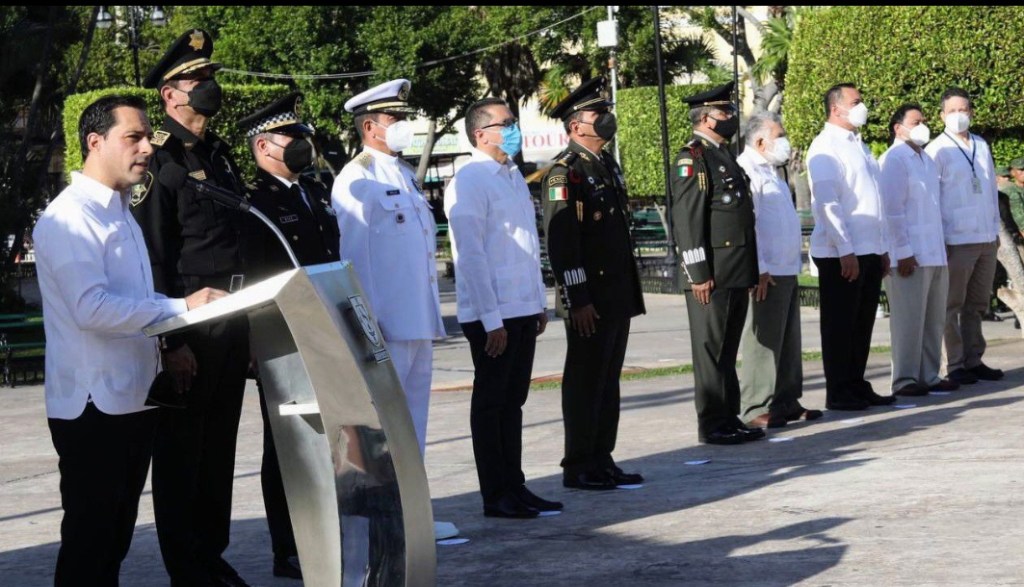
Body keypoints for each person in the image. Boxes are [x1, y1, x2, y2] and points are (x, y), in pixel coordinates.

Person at [33, 95, 224, 587]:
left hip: (132, 396)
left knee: (113, 542)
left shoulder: (119, 211)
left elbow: (136, 299)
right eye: (133, 137)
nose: (147, 148)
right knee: (91, 545)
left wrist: (178, 320)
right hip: (93, 406)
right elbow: (91, 309)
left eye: (147, 137)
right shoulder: (70, 217)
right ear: (95, 142)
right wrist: (181, 308)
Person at [130, 29, 252, 587]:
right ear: (169, 95)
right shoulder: (160, 160)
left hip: (233, 316)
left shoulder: (217, 154)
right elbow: (153, 257)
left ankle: (211, 554)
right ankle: (187, 566)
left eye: (209, 76)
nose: (208, 85)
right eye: (196, 79)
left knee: (219, 447)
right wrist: (171, 339)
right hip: (189, 323)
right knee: (184, 451)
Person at [331, 78, 458, 541]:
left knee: (412, 424)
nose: (404, 124)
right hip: (386, 324)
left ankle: (411, 517)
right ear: (370, 127)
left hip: (416, 319)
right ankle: (386, 522)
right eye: (395, 118)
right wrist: (367, 323)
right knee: (385, 427)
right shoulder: (356, 179)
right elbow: (354, 259)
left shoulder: (402, 174)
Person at [237, 92, 341, 580]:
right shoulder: (254, 201)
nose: (302, 144)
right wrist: (254, 343)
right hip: (283, 337)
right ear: (263, 146)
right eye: (291, 136)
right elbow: (254, 276)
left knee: (329, 436)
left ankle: (329, 531)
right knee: (288, 445)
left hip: (326, 329)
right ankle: (291, 545)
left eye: (303, 135)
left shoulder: (314, 191)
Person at [445, 97, 559, 518]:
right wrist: (491, 319)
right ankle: (495, 493)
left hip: (521, 306)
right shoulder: (470, 179)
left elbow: (525, 245)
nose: (514, 129)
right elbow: (471, 255)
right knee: (491, 404)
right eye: (505, 123)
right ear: (481, 134)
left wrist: (537, 302)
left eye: (513, 121)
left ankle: (515, 484)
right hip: (491, 313)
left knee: (513, 402)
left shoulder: (511, 174)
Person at [543, 77, 646, 489]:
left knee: (607, 379)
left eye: (606, 112)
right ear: (576, 125)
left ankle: (602, 456)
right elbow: (563, 244)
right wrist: (578, 297)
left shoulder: (605, 164)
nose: (605, 119)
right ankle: (579, 463)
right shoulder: (564, 172)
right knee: (586, 380)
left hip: (615, 293)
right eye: (597, 114)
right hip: (590, 298)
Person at [671, 82, 765, 444]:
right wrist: (698, 273)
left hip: (734, 269)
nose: (731, 117)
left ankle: (729, 417)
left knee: (727, 350)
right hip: (711, 273)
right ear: (706, 118)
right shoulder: (693, 158)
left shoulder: (722, 154)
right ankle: (712, 423)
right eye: (724, 112)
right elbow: (688, 220)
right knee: (711, 351)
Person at [807, 83, 894, 412]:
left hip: (868, 248)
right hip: (841, 252)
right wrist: (845, 249)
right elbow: (828, 203)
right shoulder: (825, 147)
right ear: (836, 109)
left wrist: (881, 247)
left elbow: (874, 199)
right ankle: (839, 390)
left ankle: (856, 382)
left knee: (862, 323)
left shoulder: (860, 144)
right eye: (855, 102)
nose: (862, 107)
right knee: (840, 324)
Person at [736, 111, 823, 429]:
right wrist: (758, 268)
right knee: (763, 342)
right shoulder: (747, 170)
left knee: (788, 340)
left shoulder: (773, 171)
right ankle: (755, 405)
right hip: (767, 270)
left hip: (786, 267)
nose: (785, 141)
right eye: (780, 135)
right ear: (760, 141)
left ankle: (786, 400)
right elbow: (749, 226)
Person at [879, 103, 959, 397]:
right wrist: (902, 252)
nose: (923, 126)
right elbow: (892, 211)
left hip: (934, 252)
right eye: (916, 122)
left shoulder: (925, 159)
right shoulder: (894, 159)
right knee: (908, 321)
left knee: (933, 319)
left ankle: (929, 375)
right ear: (898, 128)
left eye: (924, 120)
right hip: (909, 255)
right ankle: (905, 378)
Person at [925, 87, 1004, 384]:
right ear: (942, 116)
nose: (959, 115)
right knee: (951, 305)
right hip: (956, 240)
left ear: (971, 112)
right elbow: (932, 198)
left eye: (964, 109)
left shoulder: (980, 144)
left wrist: (994, 230)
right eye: (953, 111)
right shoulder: (937, 150)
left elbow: (989, 189)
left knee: (977, 304)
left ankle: (974, 359)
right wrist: (940, 239)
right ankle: (954, 364)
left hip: (985, 238)